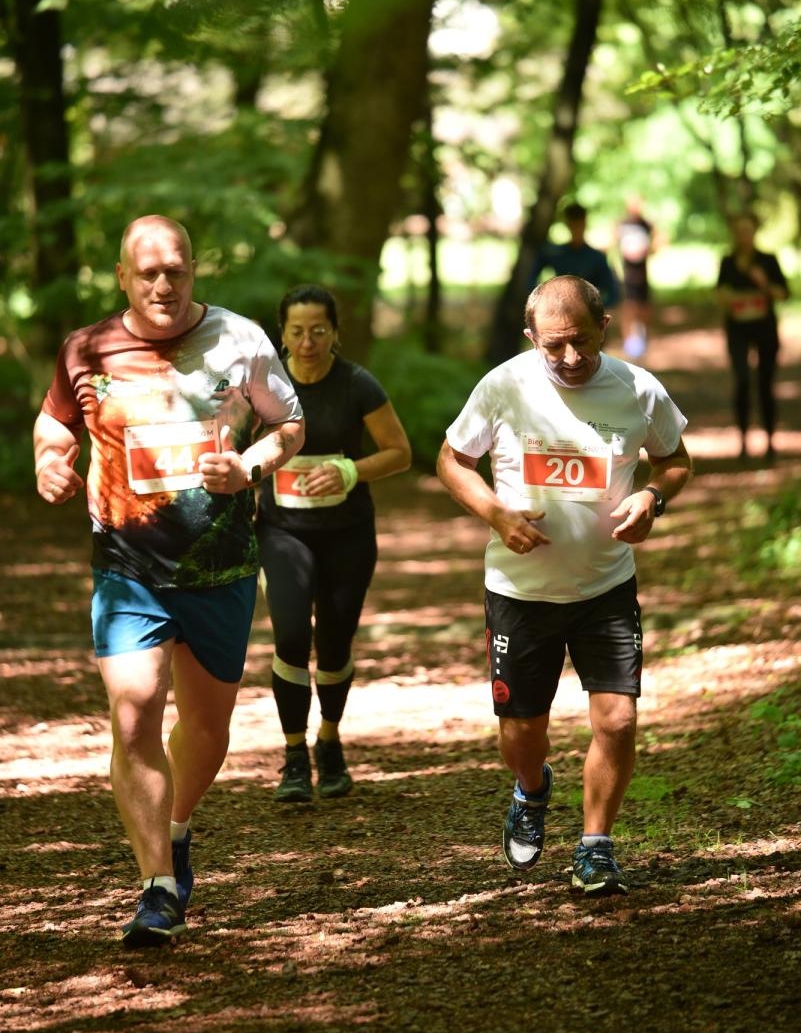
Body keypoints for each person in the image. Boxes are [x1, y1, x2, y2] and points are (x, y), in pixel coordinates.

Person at [33, 215, 305, 948]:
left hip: (218, 566)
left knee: (208, 727)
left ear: (193, 271)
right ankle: (156, 887)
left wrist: (249, 466)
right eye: (146, 271)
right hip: (126, 567)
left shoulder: (241, 340)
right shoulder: (87, 349)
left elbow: (290, 425)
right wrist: (49, 463)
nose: (162, 283)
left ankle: (176, 827)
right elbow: (55, 427)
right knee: (134, 713)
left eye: (175, 270)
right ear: (122, 276)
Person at [437, 274, 692, 896]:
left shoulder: (638, 389)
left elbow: (676, 459)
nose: (570, 358)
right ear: (531, 339)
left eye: (580, 341)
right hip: (519, 592)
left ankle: (596, 846)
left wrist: (653, 498)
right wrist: (496, 513)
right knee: (523, 732)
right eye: (554, 347)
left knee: (619, 721)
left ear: (604, 326)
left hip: (605, 587)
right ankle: (531, 788)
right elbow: (451, 460)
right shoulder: (503, 386)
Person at [257, 285, 411, 802]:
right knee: (292, 636)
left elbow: (399, 453)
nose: (307, 342)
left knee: (336, 644)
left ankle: (329, 739)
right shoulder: (263, 384)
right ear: (282, 333)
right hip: (282, 531)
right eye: (297, 331)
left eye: (318, 331)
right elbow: (230, 445)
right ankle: (294, 755)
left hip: (347, 533)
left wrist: (350, 469)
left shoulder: (356, 384)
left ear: (335, 333)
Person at [716, 212, 789, 462]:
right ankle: (744, 442)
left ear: (755, 232)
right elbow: (719, 293)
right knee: (743, 381)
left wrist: (764, 284)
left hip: (765, 328)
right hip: (737, 328)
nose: (743, 236)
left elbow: (783, 293)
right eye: (739, 230)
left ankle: (770, 443)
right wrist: (727, 299)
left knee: (766, 384)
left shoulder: (768, 260)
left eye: (748, 230)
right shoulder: (727, 261)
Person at [529, 202, 620, 310]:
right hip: (560, 309)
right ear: (568, 225)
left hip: (586, 312)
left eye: (579, 224)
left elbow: (612, 292)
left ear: (584, 224)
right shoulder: (557, 254)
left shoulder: (596, 258)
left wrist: (595, 310)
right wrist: (544, 299)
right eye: (573, 224)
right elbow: (531, 278)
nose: (576, 229)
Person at [616, 196, 655, 360]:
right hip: (627, 275)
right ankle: (628, 343)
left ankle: (644, 342)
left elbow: (658, 242)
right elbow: (614, 242)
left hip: (643, 274)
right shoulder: (622, 224)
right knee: (628, 308)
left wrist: (646, 251)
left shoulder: (646, 224)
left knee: (644, 309)